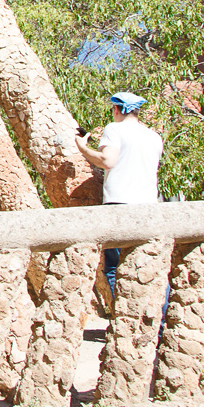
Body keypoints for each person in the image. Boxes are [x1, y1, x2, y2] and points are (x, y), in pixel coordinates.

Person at [75, 90, 164, 296]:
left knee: (113, 268)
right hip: (149, 206)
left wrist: (83, 149)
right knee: (150, 265)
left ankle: (123, 320)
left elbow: (108, 161)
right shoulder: (154, 136)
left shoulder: (114, 129)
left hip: (119, 204)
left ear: (116, 109)